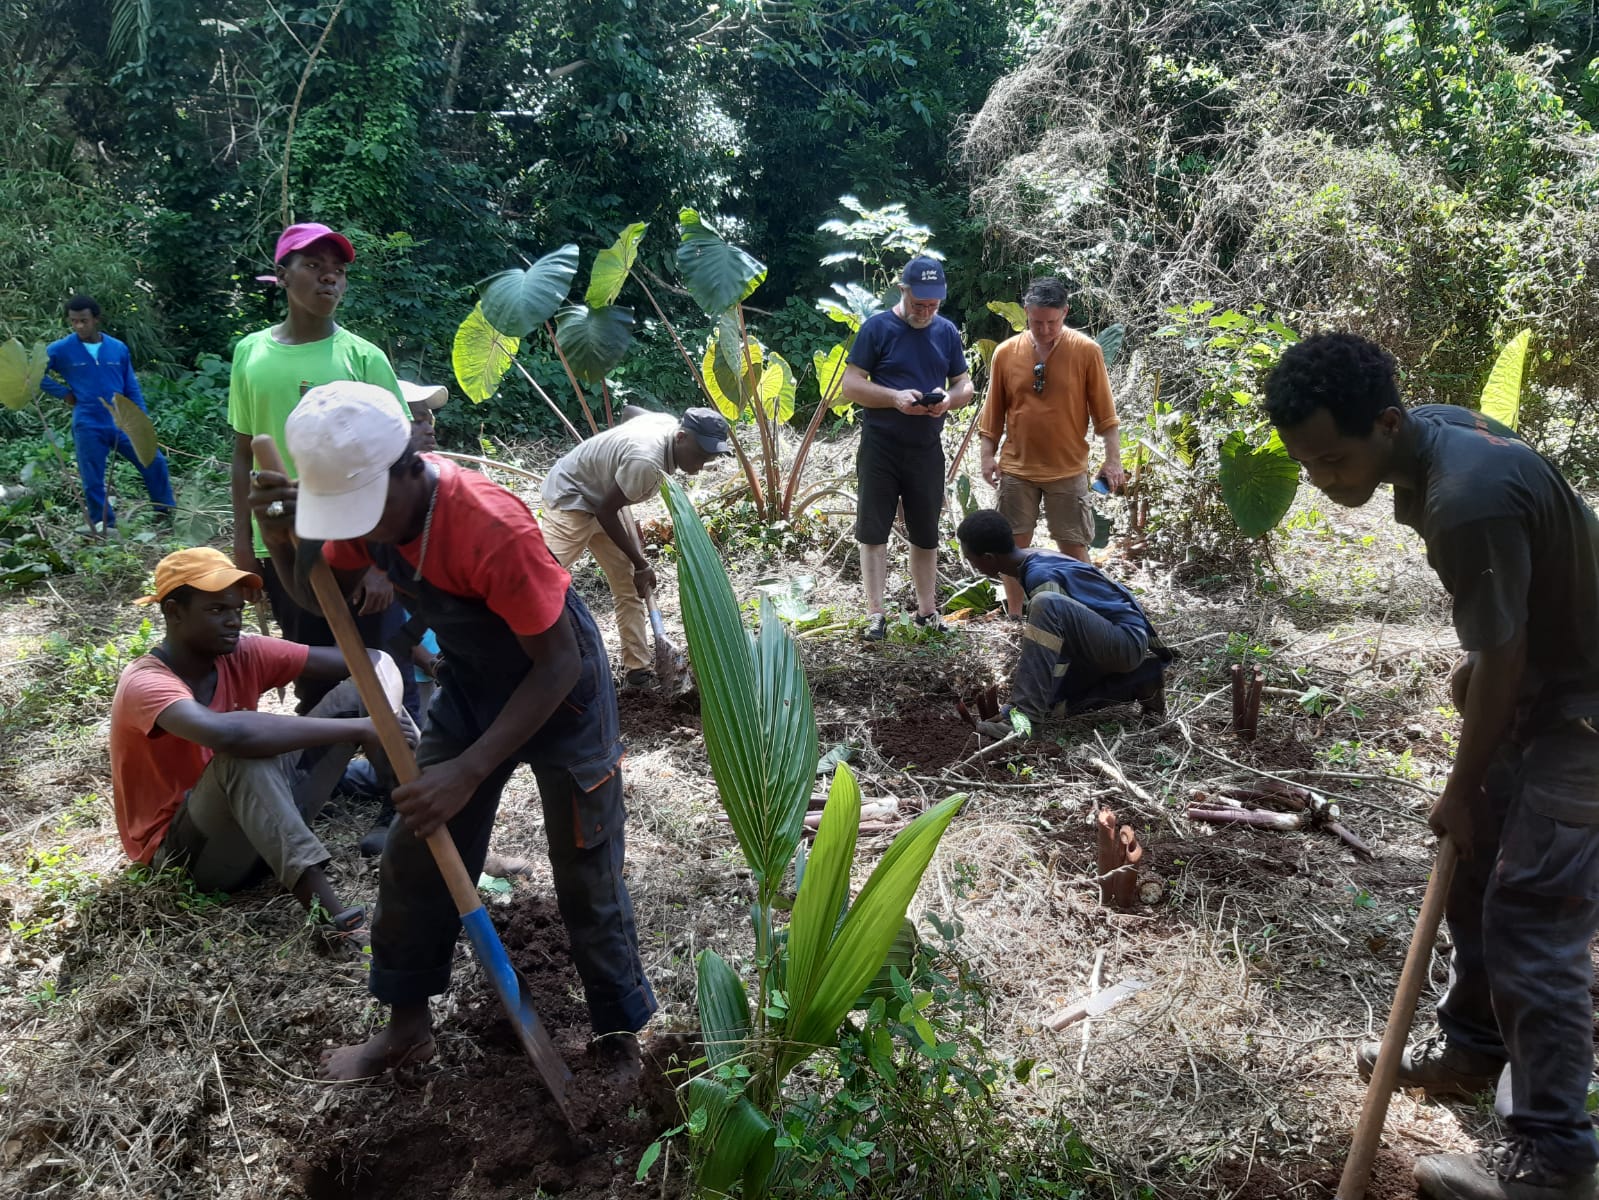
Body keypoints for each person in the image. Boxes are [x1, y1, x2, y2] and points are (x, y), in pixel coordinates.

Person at [1264, 332, 1599, 1200]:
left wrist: (1458, 782)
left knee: (1533, 915)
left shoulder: (1464, 499)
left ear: (1384, 423)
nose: (1321, 481)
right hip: (1549, 681)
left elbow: (1504, 658)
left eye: (1332, 459)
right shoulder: (1428, 444)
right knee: (1474, 868)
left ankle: (1556, 1163)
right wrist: (1488, 670)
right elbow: (1505, 634)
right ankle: (1475, 1045)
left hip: (1588, 708)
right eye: (1303, 463)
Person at [250, 381, 655, 1079]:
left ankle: (618, 1035)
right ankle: (406, 1027)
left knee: (585, 865)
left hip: (563, 689)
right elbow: (310, 590)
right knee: (416, 846)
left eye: (363, 510)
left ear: (409, 464)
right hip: (472, 681)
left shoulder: (486, 524)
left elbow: (556, 663)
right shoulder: (358, 513)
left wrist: (466, 772)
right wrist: (284, 539)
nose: (356, 529)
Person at [108, 547, 413, 948]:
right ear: (173, 612)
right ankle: (333, 920)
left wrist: (383, 721)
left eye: (235, 609)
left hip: (264, 818)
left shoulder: (241, 650)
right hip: (190, 856)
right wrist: (367, 728)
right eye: (216, 610)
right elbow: (230, 736)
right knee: (242, 759)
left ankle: (414, 817)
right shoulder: (145, 684)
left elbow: (372, 661)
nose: (233, 620)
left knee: (364, 690)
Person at [227, 223, 415, 718]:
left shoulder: (363, 357)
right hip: (286, 541)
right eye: (313, 266)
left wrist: (381, 564)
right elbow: (244, 450)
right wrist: (245, 545)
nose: (329, 279)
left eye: (338, 272)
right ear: (282, 276)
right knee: (313, 665)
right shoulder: (251, 353)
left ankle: (402, 782)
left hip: (361, 534)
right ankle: (324, 781)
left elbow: (401, 460)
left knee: (387, 667)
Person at [540, 407, 732, 686]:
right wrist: (642, 564)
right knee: (540, 581)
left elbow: (630, 411)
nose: (702, 465)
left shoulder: (666, 424)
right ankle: (508, 651)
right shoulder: (646, 461)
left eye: (709, 458)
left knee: (630, 586)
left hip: (605, 499)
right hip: (572, 497)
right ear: (680, 437)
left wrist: (616, 456)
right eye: (700, 456)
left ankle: (638, 671)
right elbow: (607, 513)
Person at [842, 255, 975, 641]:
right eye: (919, 305)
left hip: (926, 446)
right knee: (873, 530)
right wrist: (894, 397)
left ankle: (927, 611)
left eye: (933, 306)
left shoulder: (946, 332)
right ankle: (875, 614)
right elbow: (851, 385)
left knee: (926, 531)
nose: (925, 312)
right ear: (903, 291)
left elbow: (964, 384)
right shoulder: (877, 328)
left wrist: (948, 400)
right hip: (880, 444)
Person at [977, 278, 1122, 617]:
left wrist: (1113, 460)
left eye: (1052, 322)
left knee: (1074, 547)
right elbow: (993, 413)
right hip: (1016, 468)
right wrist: (987, 456)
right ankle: (1015, 615)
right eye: (1036, 322)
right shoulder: (1006, 353)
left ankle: (1084, 617)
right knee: (1012, 547)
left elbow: (1105, 415)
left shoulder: (1086, 351)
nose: (1044, 330)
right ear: (1026, 313)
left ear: (1065, 313)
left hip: (1067, 468)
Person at [956, 509, 1169, 734]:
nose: (974, 566)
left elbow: (1057, 653)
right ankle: (1143, 680)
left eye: (972, 560)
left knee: (1046, 604)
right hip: (1118, 636)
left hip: (1124, 642)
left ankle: (1025, 724)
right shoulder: (1034, 556)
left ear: (988, 558)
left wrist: (1023, 709)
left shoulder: (1040, 578)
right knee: (1058, 703)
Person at [40, 295, 177, 531]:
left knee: (155, 461)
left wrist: (140, 419)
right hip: (87, 421)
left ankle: (164, 513)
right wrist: (64, 393)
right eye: (74, 321)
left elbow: (130, 386)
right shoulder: (61, 349)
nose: (79, 326)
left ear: (96, 319)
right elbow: (35, 373)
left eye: (84, 320)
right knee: (92, 478)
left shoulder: (117, 348)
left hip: (121, 421)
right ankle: (104, 525)